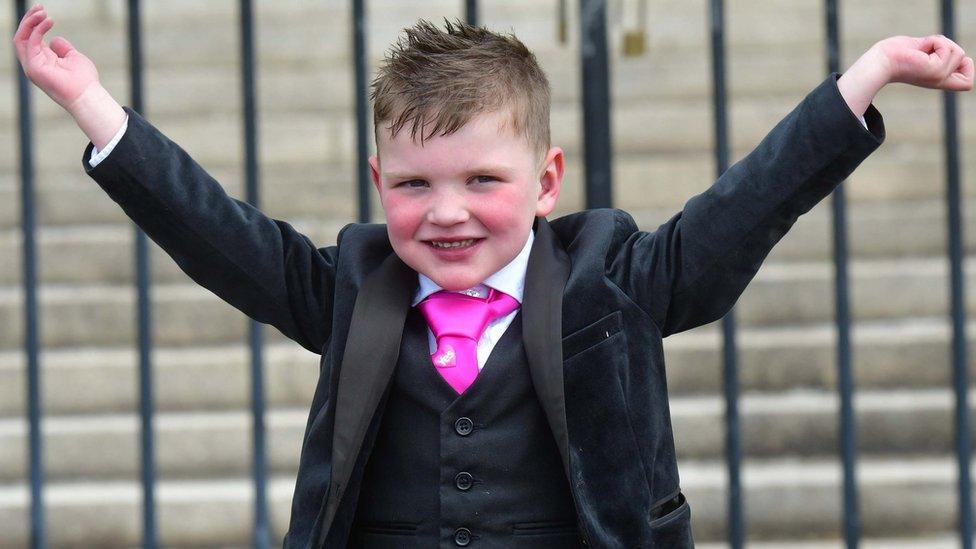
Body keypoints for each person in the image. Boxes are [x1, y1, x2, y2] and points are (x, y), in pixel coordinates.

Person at [13, 4, 974, 548]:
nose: (448, 211)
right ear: (377, 182)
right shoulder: (356, 281)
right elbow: (220, 234)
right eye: (416, 184)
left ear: (547, 180)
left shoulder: (612, 277)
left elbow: (743, 206)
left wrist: (869, 74)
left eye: (483, 179)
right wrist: (94, 105)